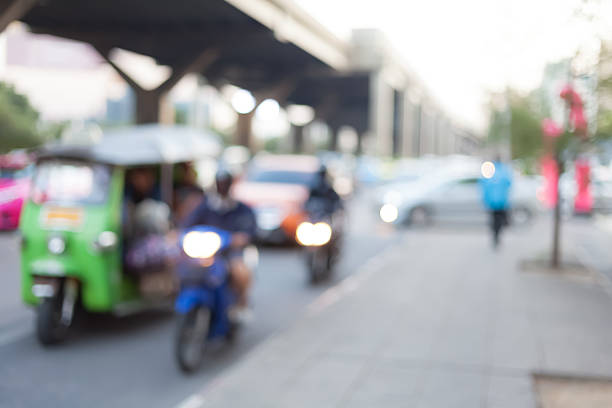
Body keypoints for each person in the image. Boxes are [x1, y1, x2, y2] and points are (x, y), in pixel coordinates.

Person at [181, 169, 256, 315]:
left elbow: (249, 230)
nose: (222, 186)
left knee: (239, 272)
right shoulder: (206, 206)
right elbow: (188, 224)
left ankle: (241, 304)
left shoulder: (241, 209)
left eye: (225, 183)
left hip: (229, 252)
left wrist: (240, 238)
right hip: (207, 251)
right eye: (220, 183)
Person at [479, 156, 513, 248]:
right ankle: (497, 235)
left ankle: (495, 235)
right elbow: (509, 184)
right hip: (502, 201)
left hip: (492, 202)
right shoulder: (504, 171)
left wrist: (485, 200)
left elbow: (484, 186)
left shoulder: (489, 171)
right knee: (500, 220)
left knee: (493, 220)